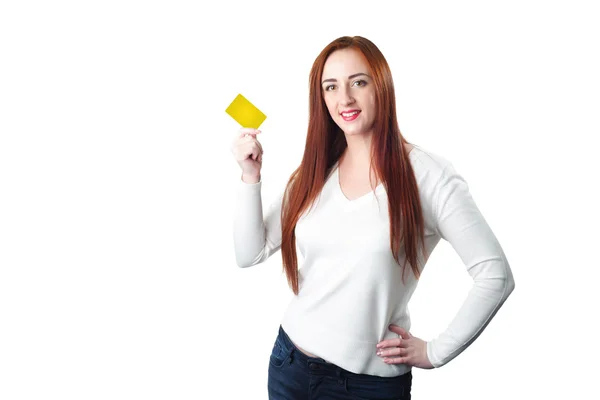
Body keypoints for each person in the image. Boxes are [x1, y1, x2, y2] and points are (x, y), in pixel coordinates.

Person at [230, 36, 515, 400]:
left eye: (358, 82)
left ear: (381, 86)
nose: (344, 99)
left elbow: (496, 274)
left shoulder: (429, 177)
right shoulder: (315, 172)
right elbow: (248, 253)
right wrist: (250, 177)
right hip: (291, 368)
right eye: (331, 87)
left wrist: (435, 352)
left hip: (368, 387)